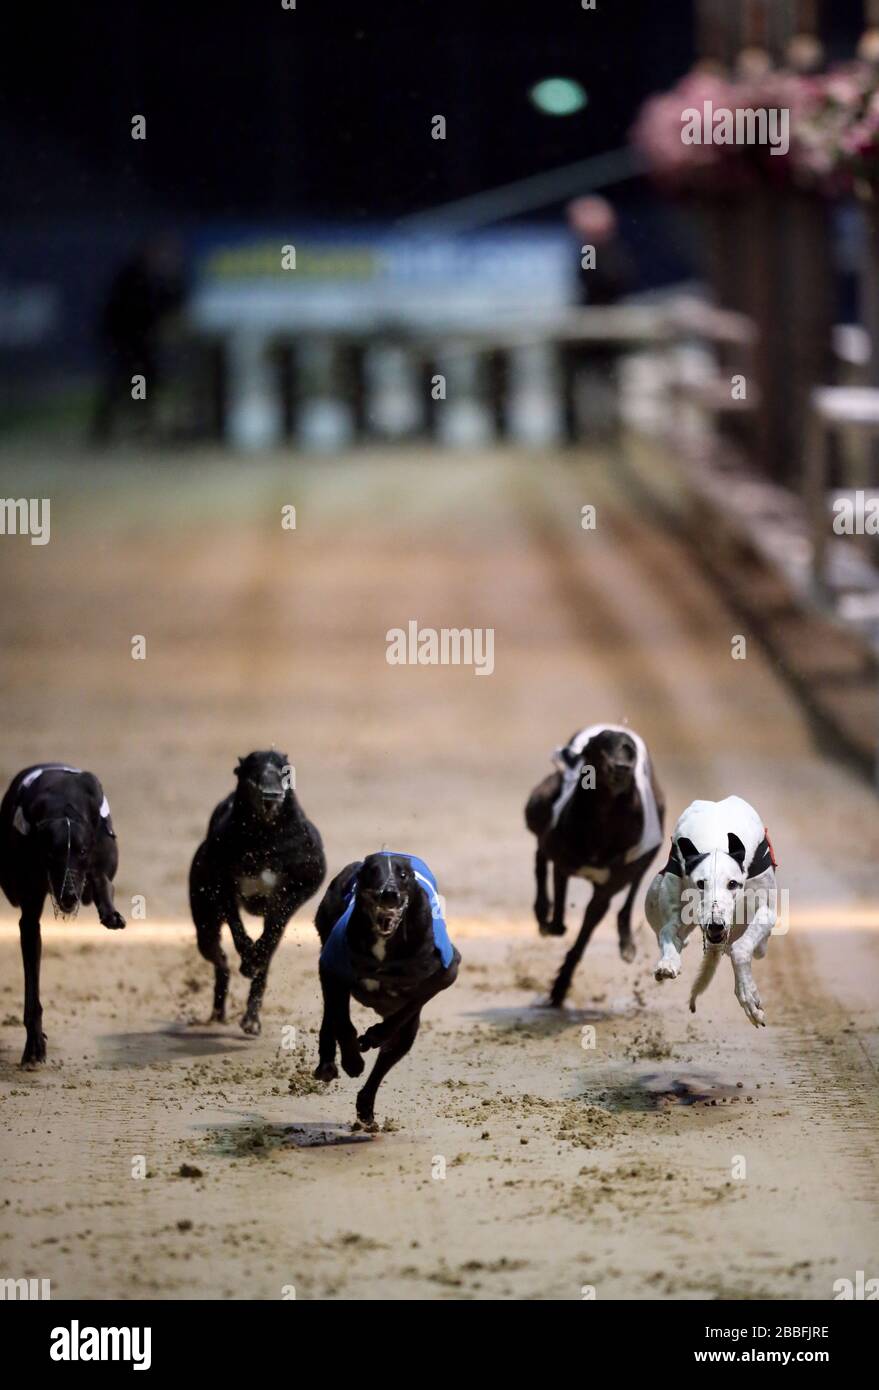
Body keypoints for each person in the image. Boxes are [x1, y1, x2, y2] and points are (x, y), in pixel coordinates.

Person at [91, 235, 186, 443]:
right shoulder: (135, 276)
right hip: (126, 340)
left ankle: (135, 422)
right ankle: (108, 427)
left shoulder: (151, 277)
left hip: (138, 342)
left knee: (139, 381)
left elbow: (167, 303)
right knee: (127, 382)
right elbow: (136, 310)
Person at [564, 196, 635, 442]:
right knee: (594, 381)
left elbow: (596, 281)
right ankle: (595, 431)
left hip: (603, 328)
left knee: (603, 380)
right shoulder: (595, 250)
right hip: (597, 327)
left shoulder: (595, 250)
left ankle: (603, 431)